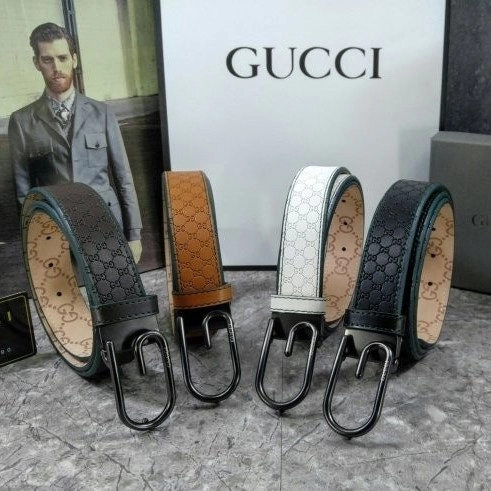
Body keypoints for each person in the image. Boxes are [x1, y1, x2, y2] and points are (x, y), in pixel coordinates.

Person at [9, 23, 143, 263]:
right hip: (55, 232)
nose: (57, 68)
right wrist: (36, 241)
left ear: (74, 59)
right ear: (36, 63)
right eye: (47, 60)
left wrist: (134, 234)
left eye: (62, 58)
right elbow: (23, 194)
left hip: (106, 226)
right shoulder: (21, 122)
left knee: (110, 285)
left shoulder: (102, 113)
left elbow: (124, 178)